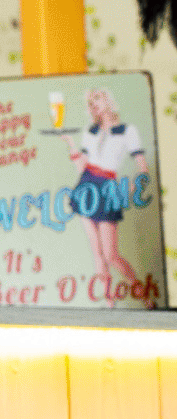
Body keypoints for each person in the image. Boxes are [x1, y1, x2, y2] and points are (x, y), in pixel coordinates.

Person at [65, 86, 150, 285]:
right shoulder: (91, 131)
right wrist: (71, 145)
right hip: (86, 186)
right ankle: (108, 300)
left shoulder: (127, 131)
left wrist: (126, 191)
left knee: (111, 255)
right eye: (90, 102)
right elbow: (82, 167)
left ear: (108, 99)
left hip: (108, 188)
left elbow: (143, 169)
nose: (93, 103)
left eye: (97, 98)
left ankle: (143, 295)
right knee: (97, 254)